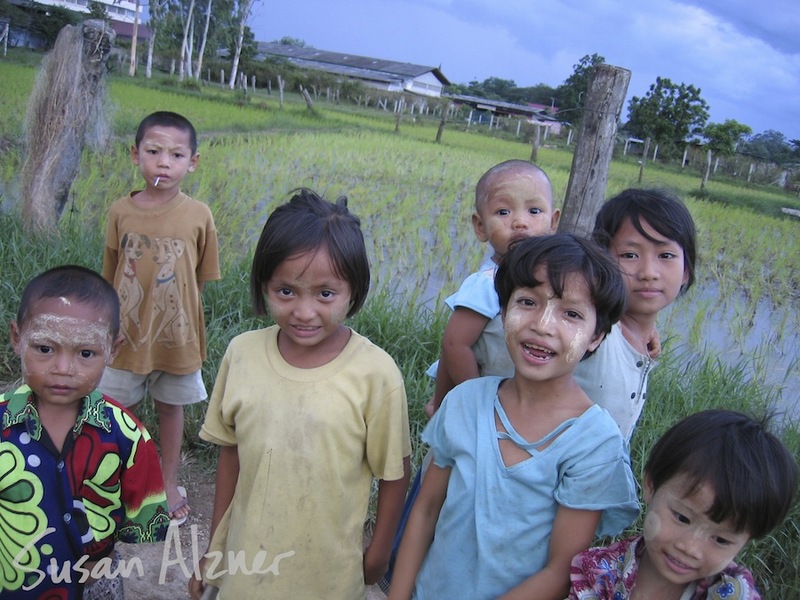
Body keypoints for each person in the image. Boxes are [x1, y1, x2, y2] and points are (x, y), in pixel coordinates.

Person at [388, 234, 639, 600]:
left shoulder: (593, 442)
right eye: (527, 302)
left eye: (571, 314)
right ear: (504, 312)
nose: (543, 325)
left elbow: (561, 570)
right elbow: (425, 511)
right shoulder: (465, 402)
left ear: (596, 336)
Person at [189, 188, 412, 599]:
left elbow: (395, 473)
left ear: (353, 291)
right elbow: (230, 455)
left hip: (326, 579)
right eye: (286, 291)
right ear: (264, 285)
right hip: (245, 571)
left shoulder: (376, 375)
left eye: (326, 294)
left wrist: (378, 555)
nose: (304, 312)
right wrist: (214, 552)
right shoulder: (243, 354)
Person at [0, 265, 170, 600]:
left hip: (94, 585)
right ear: (18, 338)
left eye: (86, 353)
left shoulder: (128, 436)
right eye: (45, 349)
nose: (63, 368)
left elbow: (141, 519)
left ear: (112, 349)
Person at [98, 111, 220, 527]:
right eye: (153, 151)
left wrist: (178, 320)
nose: (163, 162)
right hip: (125, 336)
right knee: (119, 408)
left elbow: (199, 280)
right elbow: (110, 274)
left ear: (193, 162)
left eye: (176, 154)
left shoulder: (199, 214)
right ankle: (119, 479)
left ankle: (168, 482)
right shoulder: (120, 211)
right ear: (136, 155)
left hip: (176, 337)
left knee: (171, 409)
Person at [569, 409, 799, 599]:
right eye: (682, 517)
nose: (690, 547)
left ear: (747, 540)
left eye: (721, 539)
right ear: (651, 485)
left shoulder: (734, 594)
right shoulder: (597, 570)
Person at [424, 159, 560, 417]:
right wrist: (478, 405)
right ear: (480, 226)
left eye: (534, 211)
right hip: (484, 401)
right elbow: (454, 345)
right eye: (503, 212)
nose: (520, 222)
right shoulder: (487, 283)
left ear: (553, 221)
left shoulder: (554, 280)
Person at [574, 188, 697, 442]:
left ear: (686, 270)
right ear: (600, 260)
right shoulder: (592, 331)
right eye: (629, 255)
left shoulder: (642, 336)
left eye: (666, 255)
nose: (648, 272)